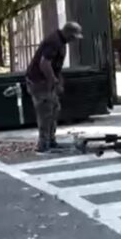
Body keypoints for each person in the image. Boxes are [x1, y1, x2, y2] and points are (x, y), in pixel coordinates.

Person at [25, 21, 83, 153]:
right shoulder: (54, 42)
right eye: (74, 37)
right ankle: (43, 143)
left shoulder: (61, 41)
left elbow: (56, 66)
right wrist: (54, 81)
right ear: (68, 34)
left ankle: (50, 140)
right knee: (45, 111)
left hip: (45, 81)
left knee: (54, 108)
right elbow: (44, 64)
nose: (74, 40)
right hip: (39, 81)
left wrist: (57, 81)